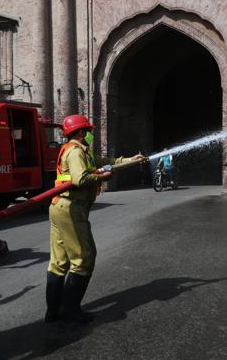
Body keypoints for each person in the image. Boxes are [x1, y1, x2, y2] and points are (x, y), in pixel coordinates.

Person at [45, 114, 145, 323]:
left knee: (59, 262)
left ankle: (53, 313)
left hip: (60, 206)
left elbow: (109, 162)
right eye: (89, 131)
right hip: (72, 208)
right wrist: (103, 177)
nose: (90, 135)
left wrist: (131, 161)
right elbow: (81, 179)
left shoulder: (83, 152)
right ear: (82, 133)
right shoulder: (75, 153)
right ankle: (70, 310)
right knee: (84, 258)